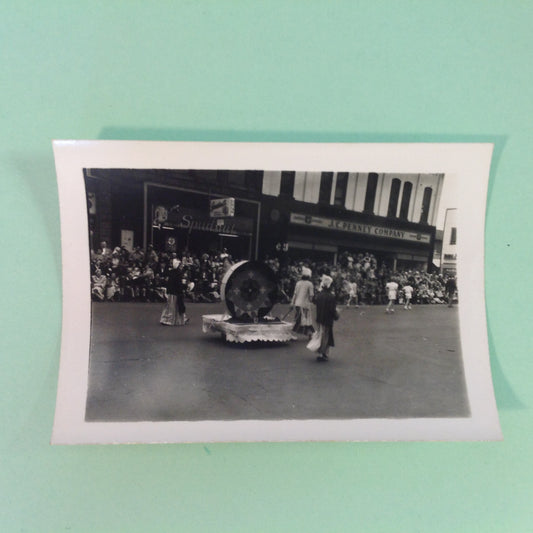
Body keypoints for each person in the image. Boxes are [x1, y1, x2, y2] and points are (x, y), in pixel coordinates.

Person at [313, 275, 339, 362]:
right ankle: (322, 353)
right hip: (327, 319)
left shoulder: (319, 295)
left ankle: (322, 353)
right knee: (326, 336)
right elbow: (332, 310)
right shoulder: (331, 297)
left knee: (321, 334)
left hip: (319, 317)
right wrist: (336, 315)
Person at [160, 259, 189, 326]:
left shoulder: (172, 272)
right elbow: (178, 283)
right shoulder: (177, 273)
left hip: (172, 292)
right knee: (175, 306)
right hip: (175, 292)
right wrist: (184, 287)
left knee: (171, 306)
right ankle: (172, 320)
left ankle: (167, 319)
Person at [290, 267, 315, 337]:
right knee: (305, 320)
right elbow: (311, 296)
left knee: (300, 319)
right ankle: (310, 333)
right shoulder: (310, 284)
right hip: (305, 305)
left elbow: (295, 294)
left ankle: (310, 333)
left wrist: (292, 303)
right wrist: (311, 301)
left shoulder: (298, 283)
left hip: (297, 304)